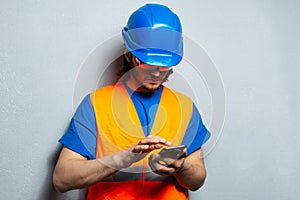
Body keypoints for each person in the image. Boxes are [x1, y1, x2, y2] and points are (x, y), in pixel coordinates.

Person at [53, 3, 210, 200]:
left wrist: (181, 166)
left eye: (163, 65)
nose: (155, 72)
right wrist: (122, 159)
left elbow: (197, 180)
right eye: (146, 62)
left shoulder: (185, 107)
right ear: (128, 53)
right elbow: (61, 179)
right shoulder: (95, 104)